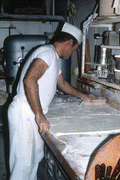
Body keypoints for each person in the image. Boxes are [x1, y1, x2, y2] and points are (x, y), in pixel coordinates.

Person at [8, 22, 89, 180]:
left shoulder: (53, 57)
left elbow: (63, 84)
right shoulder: (47, 52)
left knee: (33, 162)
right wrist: (39, 114)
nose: (72, 53)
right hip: (25, 113)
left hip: (32, 114)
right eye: (74, 49)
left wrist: (85, 96)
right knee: (23, 166)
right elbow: (29, 79)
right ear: (68, 42)